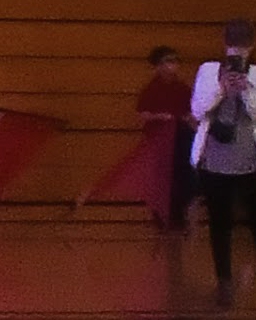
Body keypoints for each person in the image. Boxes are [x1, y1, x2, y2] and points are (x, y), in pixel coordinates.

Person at [189, 18, 256, 309]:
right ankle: (224, 283)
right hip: (215, 160)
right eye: (234, 45)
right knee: (220, 223)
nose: (238, 52)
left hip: (250, 161)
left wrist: (245, 89)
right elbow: (198, 110)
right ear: (224, 44)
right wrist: (222, 87)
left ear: (252, 47)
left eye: (243, 46)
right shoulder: (208, 71)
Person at [82, 45, 194, 228]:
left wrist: (188, 122)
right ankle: (161, 215)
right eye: (167, 62)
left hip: (180, 140)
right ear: (157, 66)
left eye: (175, 61)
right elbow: (142, 115)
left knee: (182, 178)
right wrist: (161, 117)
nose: (172, 66)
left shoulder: (183, 88)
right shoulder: (151, 90)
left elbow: (191, 113)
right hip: (159, 142)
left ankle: (178, 215)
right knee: (161, 180)